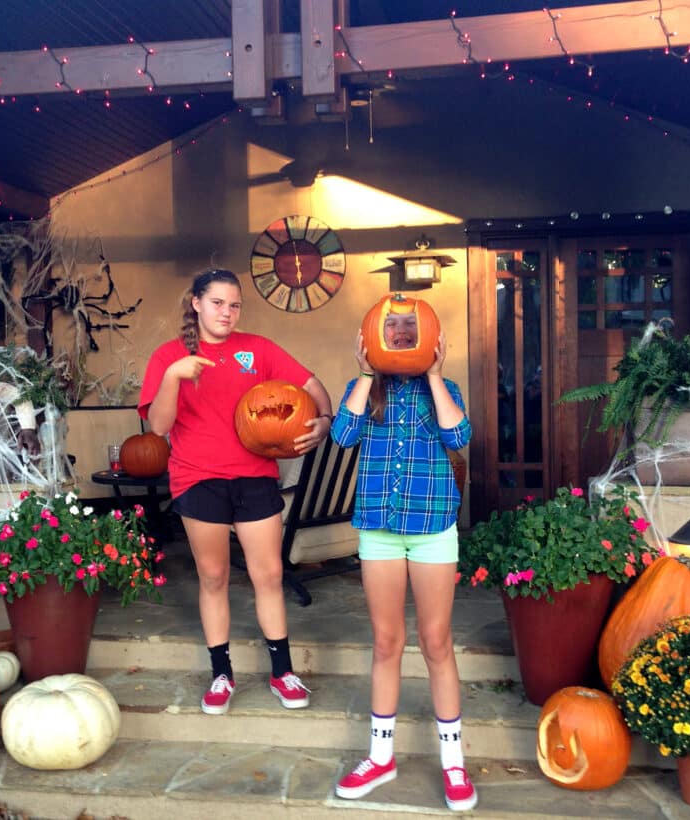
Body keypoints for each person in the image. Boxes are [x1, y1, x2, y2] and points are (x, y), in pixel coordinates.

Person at [138, 268, 333, 715]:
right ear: (196, 303)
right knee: (214, 578)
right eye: (218, 303)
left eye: (234, 304)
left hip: (255, 477)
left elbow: (310, 384)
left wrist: (324, 420)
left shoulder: (257, 349)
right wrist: (173, 376)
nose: (227, 312)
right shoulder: (169, 356)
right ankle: (221, 675)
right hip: (198, 479)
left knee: (268, 575)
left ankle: (282, 672)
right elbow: (159, 426)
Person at [330, 316, 476, 812]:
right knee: (387, 641)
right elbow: (342, 436)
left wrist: (435, 375)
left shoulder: (446, 386)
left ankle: (453, 762)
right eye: (389, 327)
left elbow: (459, 437)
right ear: (373, 335)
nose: (399, 334)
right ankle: (380, 755)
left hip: (433, 526)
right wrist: (366, 372)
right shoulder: (362, 388)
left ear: (429, 337)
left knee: (436, 641)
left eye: (408, 327)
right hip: (380, 530)